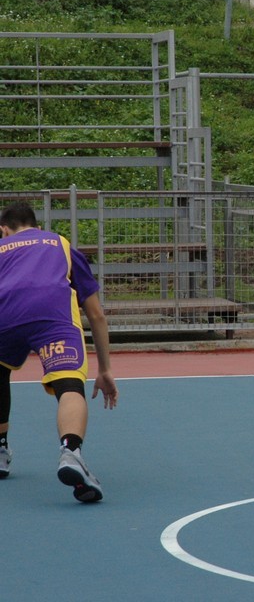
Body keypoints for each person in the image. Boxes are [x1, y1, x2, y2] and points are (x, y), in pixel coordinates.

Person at [0, 201, 118, 501]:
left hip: (5, 314)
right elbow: (96, 314)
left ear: (4, 231)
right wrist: (105, 369)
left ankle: (0, 450)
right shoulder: (59, 244)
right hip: (51, 315)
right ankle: (71, 451)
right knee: (69, 386)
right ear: (38, 228)